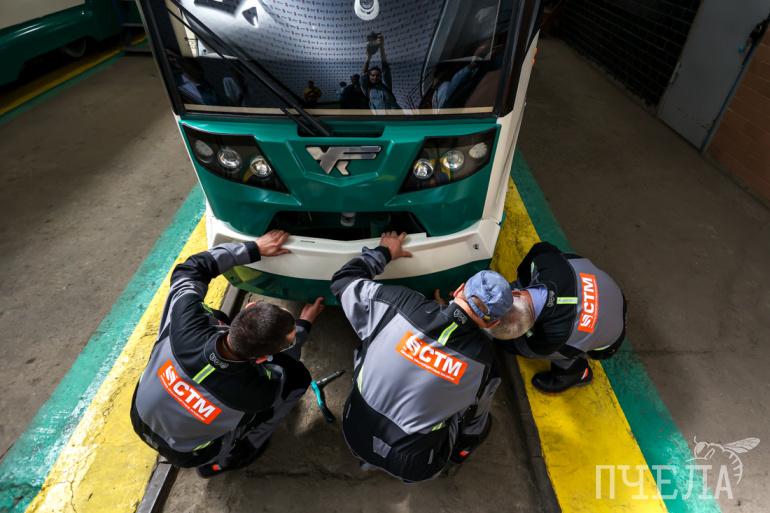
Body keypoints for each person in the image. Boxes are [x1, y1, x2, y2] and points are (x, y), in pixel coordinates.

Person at [130, 230, 325, 478]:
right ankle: (233, 456)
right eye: (288, 340)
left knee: (215, 316)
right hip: (188, 453)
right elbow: (284, 367)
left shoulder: (185, 321)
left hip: (140, 417)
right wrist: (303, 326)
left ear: (249, 307)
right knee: (296, 378)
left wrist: (253, 249)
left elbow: (191, 269)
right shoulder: (258, 394)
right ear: (263, 359)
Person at [330, 232, 510, 482]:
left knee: (369, 345)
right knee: (472, 413)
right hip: (413, 465)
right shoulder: (486, 365)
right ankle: (456, 458)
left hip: (354, 430)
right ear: (494, 323)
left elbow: (343, 280)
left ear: (459, 290)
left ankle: (368, 457)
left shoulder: (398, 304)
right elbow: (474, 419)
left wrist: (384, 252)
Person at [490, 241, 627, 393]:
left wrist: (504, 340)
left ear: (530, 326)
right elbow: (542, 247)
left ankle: (575, 372)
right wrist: (521, 282)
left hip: (611, 340)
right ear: (516, 293)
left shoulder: (556, 334)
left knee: (524, 347)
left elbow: (534, 347)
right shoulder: (545, 260)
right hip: (611, 291)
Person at [361, 34, 400, 111]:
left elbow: (385, 68)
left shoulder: (386, 86)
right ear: (369, 76)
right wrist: (368, 57)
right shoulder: (367, 89)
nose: (375, 77)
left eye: (378, 75)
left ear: (380, 77)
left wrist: (381, 47)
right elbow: (363, 74)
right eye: (372, 75)